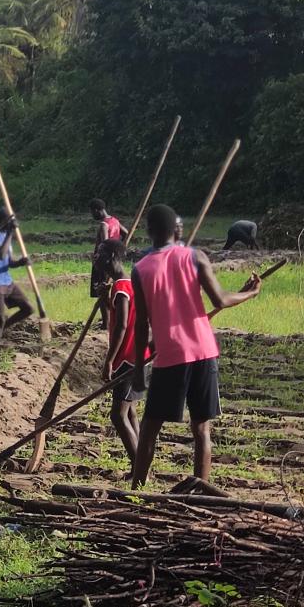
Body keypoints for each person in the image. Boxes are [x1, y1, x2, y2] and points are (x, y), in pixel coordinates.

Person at [130, 205, 262, 488]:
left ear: (149, 231)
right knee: (201, 429)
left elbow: (141, 323)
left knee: (150, 429)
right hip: (204, 352)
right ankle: (200, 493)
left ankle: (137, 492)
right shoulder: (196, 257)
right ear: (177, 230)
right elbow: (220, 301)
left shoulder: (139, 270)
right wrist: (249, 293)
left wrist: (140, 368)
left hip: (171, 356)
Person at [97, 240, 148, 464]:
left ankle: (139, 469)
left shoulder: (121, 287)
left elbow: (122, 325)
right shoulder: (128, 284)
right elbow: (118, 316)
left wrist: (109, 360)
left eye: (99, 254)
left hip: (128, 359)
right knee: (130, 412)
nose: (95, 259)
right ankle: (141, 462)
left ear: (110, 257)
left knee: (118, 416)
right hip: (139, 356)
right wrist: (105, 300)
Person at [0, 207, 32, 346]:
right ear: (3, 221)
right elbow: (0, 254)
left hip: (7, 281)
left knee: (28, 309)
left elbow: (9, 262)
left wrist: (21, 262)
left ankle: (2, 329)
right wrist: (10, 232)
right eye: (10, 222)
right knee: (0, 319)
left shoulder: (6, 237)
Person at [90, 199, 123, 328]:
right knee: (107, 291)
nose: (92, 215)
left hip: (103, 263)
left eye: (92, 212)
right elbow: (124, 233)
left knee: (102, 291)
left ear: (97, 210)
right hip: (114, 262)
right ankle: (112, 319)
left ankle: (106, 324)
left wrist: (102, 260)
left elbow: (105, 244)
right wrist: (119, 249)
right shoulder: (115, 221)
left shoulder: (104, 224)